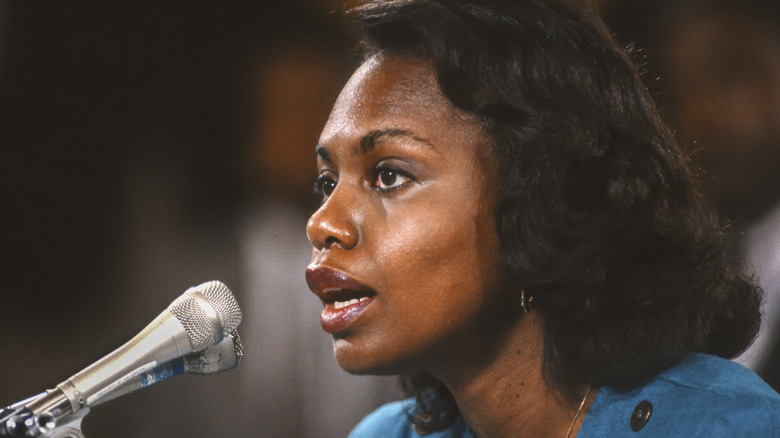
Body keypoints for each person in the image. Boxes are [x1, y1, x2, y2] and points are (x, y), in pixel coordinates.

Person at [304, 0, 780, 437]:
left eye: (388, 175)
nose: (323, 223)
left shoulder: (728, 426)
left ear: (543, 198)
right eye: (327, 182)